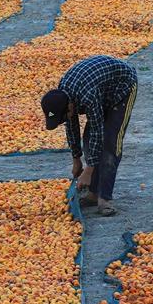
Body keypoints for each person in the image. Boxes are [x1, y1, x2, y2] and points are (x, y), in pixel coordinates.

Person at [41, 55, 137, 216]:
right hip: (101, 89)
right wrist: (76, 158)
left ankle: (104, 198)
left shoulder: (88, 95)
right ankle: (93, 193)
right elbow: (71, 127)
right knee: (88, 141)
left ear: (70, 107)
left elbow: (98, 132)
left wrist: (89, 170)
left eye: (65, 116)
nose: (65, 119)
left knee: (110, 144)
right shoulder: (63, 96)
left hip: (122, 88)